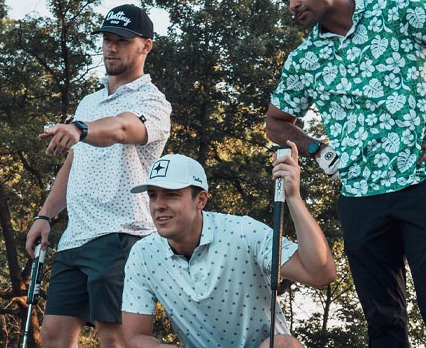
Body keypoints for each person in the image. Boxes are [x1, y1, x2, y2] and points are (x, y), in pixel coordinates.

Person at [266, 0, 426, 347]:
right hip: (359, 198)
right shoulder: (304, 60)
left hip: (423, 181)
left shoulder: (396, 8)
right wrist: (317, 148)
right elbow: (276, 123)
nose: (293, 4)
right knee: (383, 323)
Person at [25, 4, 172, 348]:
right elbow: (73, 164)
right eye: (107, 39)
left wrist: (81, 127)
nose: (111, 47)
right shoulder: (88, 103)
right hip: (76, 238)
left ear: (146, 46)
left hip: (122, 236)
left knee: (114, 337)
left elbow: (122, 128)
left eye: (121, 40)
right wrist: (46, 215)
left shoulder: (153, 102)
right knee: (54, 335)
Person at [121, 142, 336, 348]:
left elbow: (320, 273)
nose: (158, 205)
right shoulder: (143, 254)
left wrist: (293, 197)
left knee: (284, 345)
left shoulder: (243, 232)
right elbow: (135, 336)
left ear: (201, 200)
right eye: (152, 195)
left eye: (171, 195)